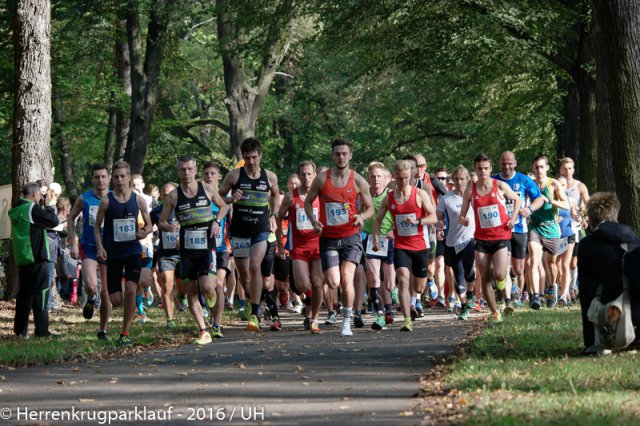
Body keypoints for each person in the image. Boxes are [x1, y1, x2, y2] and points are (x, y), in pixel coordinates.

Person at [305, 138, 374, 336]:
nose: (341, 157)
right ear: (332, 155)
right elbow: (308, 203)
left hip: (351, 237)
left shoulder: (358, 179)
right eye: (337, 154)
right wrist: (313, 220)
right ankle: (336, 312)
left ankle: (346, 321)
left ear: (350, 155)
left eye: (344, 153)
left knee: (346, 278)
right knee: (333, 282)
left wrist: (362, 216)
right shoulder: (321, 179)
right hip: (328, 239)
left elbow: (370, 208)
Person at [159, 156, 227, 344]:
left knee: (207, 287)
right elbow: (161, 221)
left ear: (195, 170)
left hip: (207, 247)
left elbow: (223, 206)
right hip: (186, 249)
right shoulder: (173, 196)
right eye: (182, 170)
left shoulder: (207, 189)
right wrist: (169, 227)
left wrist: (216, 222)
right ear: (178, 171)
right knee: (190, 291)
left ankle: (211, 296)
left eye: (189, 169)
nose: (186, 173)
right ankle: (203, 330)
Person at [219, 138, 280, 332]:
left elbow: (276, 195)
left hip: (260, 230)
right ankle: (260, 300)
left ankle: (254, 314)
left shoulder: (269, 177)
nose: (252, 162)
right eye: (247, 158)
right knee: (245, 277)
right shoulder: (234, 176)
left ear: (260, 156)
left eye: (254, 157)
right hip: (239, 232)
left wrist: (274, 214)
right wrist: (230, 199)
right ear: (243, 158)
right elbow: (218, 196)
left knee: (255, 265)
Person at [372, 160, 437, 332]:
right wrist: (376, 240)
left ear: (411, 176)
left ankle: (418, 298)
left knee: (419, 287)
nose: (403, 182)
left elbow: (433, 217)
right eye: (400, 178)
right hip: (401, 245)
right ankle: (407, 319)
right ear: (395, 177)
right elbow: (378, 220)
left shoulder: (420, 194)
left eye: (406, 178)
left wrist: (418, 221)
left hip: (420, 246)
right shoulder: (390, 198)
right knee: (402, 279)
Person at [94, 161, 152, 346]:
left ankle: (124, 332)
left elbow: (150, 225)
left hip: (133, 251)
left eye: (123, 176)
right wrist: (100, 248)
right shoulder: (107, 201)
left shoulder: (138, 200)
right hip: (113, 253)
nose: (119, 180)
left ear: (129, 177)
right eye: (116, 176)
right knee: (116, 300)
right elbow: (96, 227)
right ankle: (122, 321)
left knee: (130, 290)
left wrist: (144, 232)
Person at [459, 154, 521, 322]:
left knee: (500, 274)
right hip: (481, 238)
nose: (483, 171)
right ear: (475, 169)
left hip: (501, 235)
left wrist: (512, 219)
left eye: (486, 168)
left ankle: (502, 284)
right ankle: (495, 312)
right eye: (479, 169)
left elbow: (517, 200)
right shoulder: (470, 190)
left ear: (490, 169)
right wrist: (463, 219)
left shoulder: (499, 185)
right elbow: (461, 215)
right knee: (484, 276)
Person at [578, 192, 640, 355]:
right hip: (637, 309)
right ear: (616, 216)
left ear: (590, 220)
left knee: (585, 284)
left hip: (611, 311)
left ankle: (593, 343)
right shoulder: (635, 240)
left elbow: (584, 279)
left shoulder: (587, 244)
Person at [66, 164, 112, 340]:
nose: (100, 180)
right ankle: (90, 299)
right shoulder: (84, 198)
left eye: (103, 176)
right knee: (92, 286)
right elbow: (71, 218)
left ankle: (103, 330)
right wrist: (72, 242)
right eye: (96, 177)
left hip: (109, 249)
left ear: (108, 178)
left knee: (106, 292)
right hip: (89, 248)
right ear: (92, 179)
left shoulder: (116, 198)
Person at [277, 161, 324, 333]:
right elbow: (278, 217)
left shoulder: (321, 195)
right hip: (299, 248)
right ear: (298, 175)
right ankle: (312, 302)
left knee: (318, 283)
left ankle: (314, 319)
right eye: (303, 174)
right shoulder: (291, 196)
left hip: (318, 245)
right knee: (303, 285)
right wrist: (279, 245)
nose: (306, 178)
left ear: (315, 175)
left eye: (310, 174)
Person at [493, 151, 544, 310]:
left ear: (515, 163)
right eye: (503, 163)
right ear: (499, 163)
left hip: (520, 228)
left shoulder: (523, 179)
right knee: (503, 265)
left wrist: (529, 209)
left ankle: (515, 282)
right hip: (500, 230)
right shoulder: (493, 180)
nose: (506, 166)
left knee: (518, 269)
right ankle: (506, 300)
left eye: (509, 163)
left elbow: (539, 198)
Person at [10, 182, 60, 337]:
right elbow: (53, 221)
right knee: (41, 293)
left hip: (24, 259)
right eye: (39, 195)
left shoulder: (17, 209)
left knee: (24, 295)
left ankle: (20, 331)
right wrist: (50, 204)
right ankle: (42, 331)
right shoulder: (31, 208)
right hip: (38, 257)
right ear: (34, 194)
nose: (40, 198)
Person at [528, 155, 569, 309]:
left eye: (541, 167)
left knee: (550, 263)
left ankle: (551, 287)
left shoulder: (553, 184)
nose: (539, 170)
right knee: (534, 259)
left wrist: (550, 200)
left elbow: (566, 205)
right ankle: (536, 296)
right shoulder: (530, 184)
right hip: (535, 226)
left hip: (551, 228)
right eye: (536, 167)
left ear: (546, 168)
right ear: (533, 168)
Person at [436, 166, 476, 320]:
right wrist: (438, 225)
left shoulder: (475, 196)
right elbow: (438, 217)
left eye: (462, 178)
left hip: (470, 238)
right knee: (459, 276)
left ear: (467, 179)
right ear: (453, 180)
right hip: (452, 241)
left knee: (469, 271)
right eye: (456, 179)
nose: (459, 182)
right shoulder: (446, 199)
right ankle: (464, 307)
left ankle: (471, 293)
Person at [362, 162, 396, 330]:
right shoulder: (364, 195)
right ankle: (380, 316)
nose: (376, 179)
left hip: (389, 240)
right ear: (368, 178)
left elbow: (401, 214)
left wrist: (394, 230)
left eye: (379, 176)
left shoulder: (392, 195)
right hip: (370, 239)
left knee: (389, 284)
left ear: (385, 179)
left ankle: (390, 307)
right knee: (374, 277)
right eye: (373, 176)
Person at [202, 161, 230, 337]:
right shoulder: (198, 197)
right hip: (202, 250)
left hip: (221, 249)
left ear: (219, 177)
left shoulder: (226, 201)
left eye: (213, 173)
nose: (209, 176)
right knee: (207, 288)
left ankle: (216, 324)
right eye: (206, 173)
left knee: (219, 286)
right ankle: (207, 303)